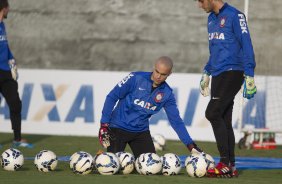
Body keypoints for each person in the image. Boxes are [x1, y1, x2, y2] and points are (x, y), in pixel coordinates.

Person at [197, 0, 257, 178]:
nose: (199, 5)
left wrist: (250, 74)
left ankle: (223, 162)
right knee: (224, 118)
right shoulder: (211, 19)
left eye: (200, 1)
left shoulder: (235, 16)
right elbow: (214, 50)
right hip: (217, 73)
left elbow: (247, 44)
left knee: (212, 113)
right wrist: (207, 71)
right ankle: (231, 166)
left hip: (233, 72)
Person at [99, 56, 203, 158]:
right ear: (154, 67)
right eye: (157, 72)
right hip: (118, 127)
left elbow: (176, 121)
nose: (158, 76)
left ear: (169, 74)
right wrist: (104, 125)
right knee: (113, 165)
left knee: (152, 166)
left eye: (163, 74)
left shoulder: (167, 94)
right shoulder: (135, 78)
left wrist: (190, 145)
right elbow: (112, 97)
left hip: (140, 131)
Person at [0, 0, 33, 148]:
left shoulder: (2, 25)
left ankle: (17, 139)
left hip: (6, 72)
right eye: (8, 8)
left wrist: (12, 60)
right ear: (4, 8)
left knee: (15, 103)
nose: (9, 10)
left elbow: (5, 47)